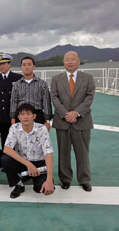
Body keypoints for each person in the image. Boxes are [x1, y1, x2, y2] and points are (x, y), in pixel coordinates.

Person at [51, 51, 95, 192]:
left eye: (72, 59)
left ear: (78, 61)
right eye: (67, 60)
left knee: (82, 152)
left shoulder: (87, 78)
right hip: (62, 121)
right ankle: (65, 179)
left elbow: (89, 98)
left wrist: (76, 113)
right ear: (63, 62)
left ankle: (84, 180)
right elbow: (55, 98)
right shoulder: (56, 79)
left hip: (81, 121)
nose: (69, 62)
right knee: (63, 152)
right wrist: (66, 114)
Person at [2, 103, 55, 198]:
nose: (25, 117)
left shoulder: (42, 129)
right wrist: (28, 164)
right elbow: (7, 149)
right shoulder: (14, 128)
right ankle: (19, 184)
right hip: (23, 163)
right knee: (5, 159)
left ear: (34, 116)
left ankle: (35, 177)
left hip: (39, 163)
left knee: (41, 189)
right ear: (18, 116)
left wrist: (49, 180)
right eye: (22, 114)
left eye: (28, 114)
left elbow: (48, 154)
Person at [10, 57, 52, 130]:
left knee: (38, 140)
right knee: (21, 141)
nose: (26, 67)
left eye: (29, 64)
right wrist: (13, 121)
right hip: (21, 116)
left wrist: (47, 121)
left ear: (34, 67)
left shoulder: (42, 84)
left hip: (38, 116)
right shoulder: (16, 85)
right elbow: (13, 103)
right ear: (21, 67)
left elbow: (46, 103)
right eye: (24, 65)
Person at [0, 54, 23, 150]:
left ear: (9, 64)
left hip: (15, 114)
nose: (1, 66)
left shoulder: (18, 77)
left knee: (18, 138)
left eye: (3, 64)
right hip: (2, 114)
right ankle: (6, 160)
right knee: (4, 138)